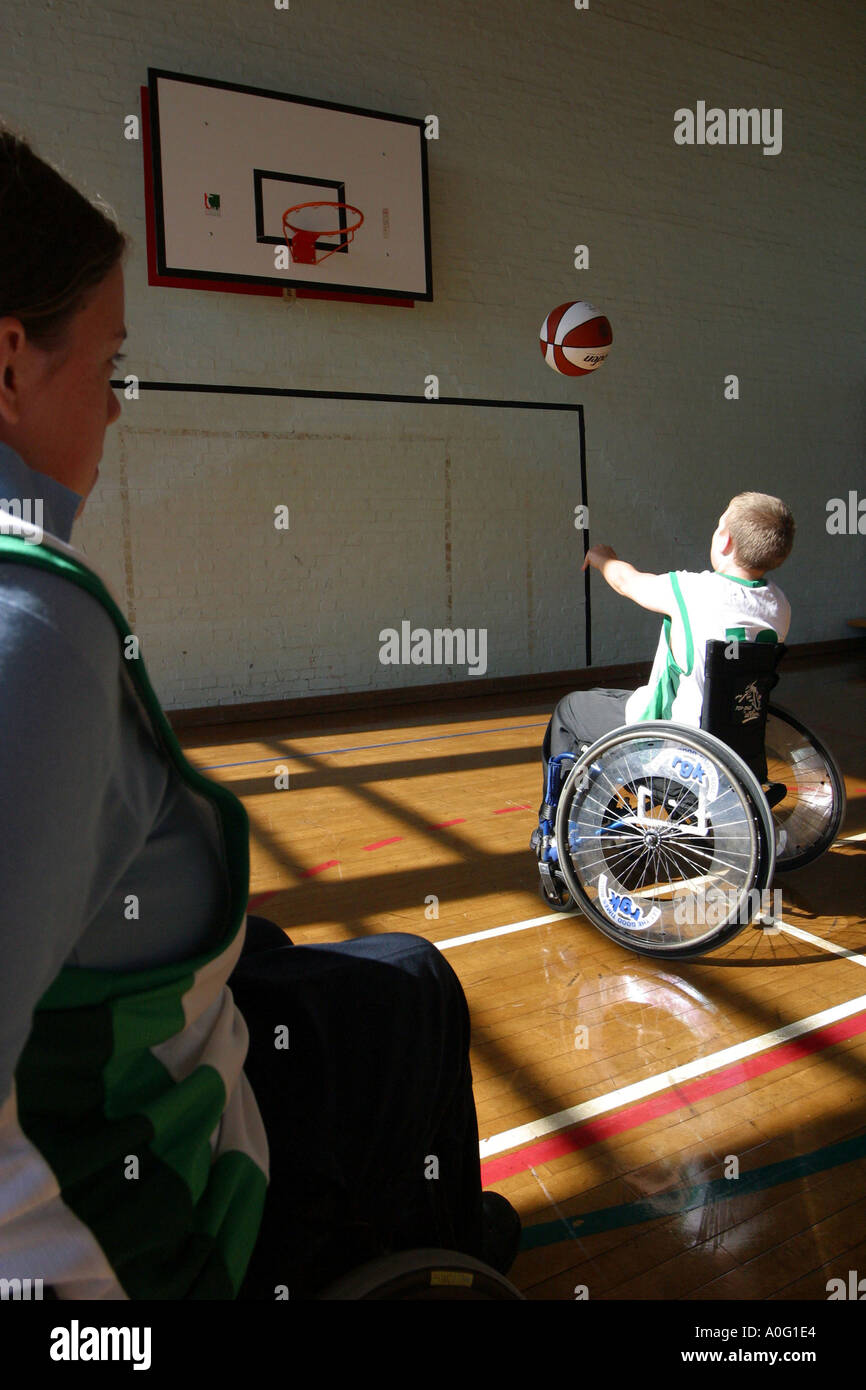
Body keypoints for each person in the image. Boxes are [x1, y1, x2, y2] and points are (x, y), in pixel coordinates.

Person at [0, 128, 519, 1300]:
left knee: (311, 962)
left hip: (122, 1047)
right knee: (407, 985)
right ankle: (440, 1248)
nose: (119, 410)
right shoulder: (29, 621)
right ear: (12, 363)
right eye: (110, 366)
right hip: (155, 1211)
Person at [537, 493, 795, 815]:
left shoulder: (693, 591)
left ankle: (561, 824)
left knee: (570, 710)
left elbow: (627, 582)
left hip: (676, 749)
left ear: (725, 540)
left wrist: (602, 558)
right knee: (607, 698)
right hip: (735, 755)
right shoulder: (779, 605)